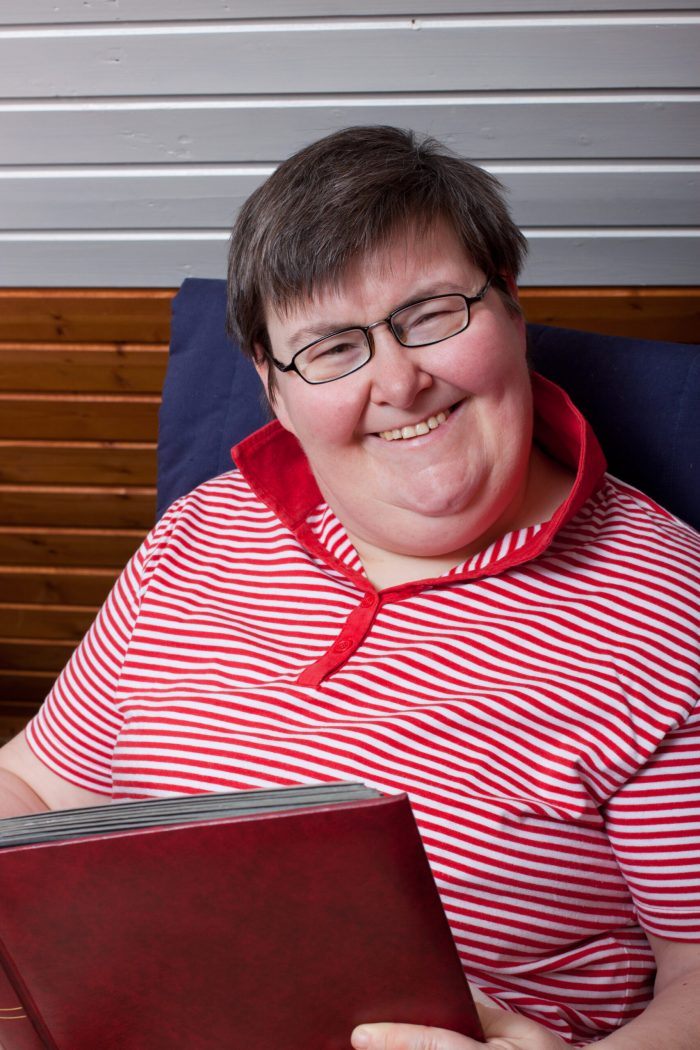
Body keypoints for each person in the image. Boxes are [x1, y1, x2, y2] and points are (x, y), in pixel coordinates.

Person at [1, 125, 699, 1049]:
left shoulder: (668, 608)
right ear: (272, 386)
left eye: (433, 314)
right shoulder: (205, 529)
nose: (399, 381)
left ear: (510, 305)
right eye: (332, 348)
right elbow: (35, 785)